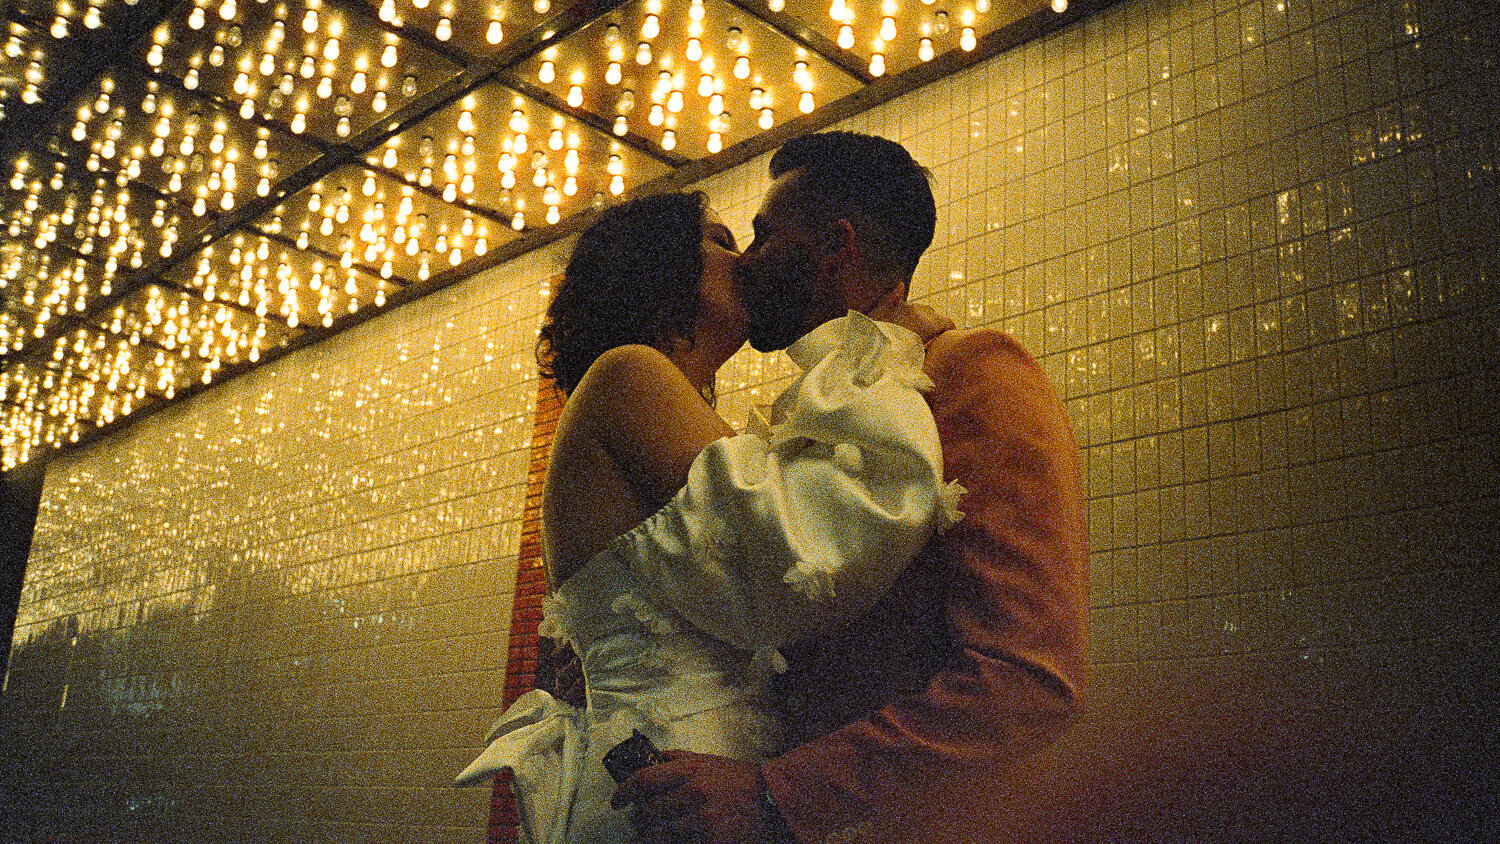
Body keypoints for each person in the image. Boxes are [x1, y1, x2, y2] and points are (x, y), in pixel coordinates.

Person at [610, 132, 1090, 843]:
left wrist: (777, 794)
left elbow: (1027, 679)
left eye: (765, 235)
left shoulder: (972, 374)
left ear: (835, 245)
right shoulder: (809, 411)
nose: (745, 261)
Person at [454, 190, 962, 844]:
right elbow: (801, 542)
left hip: (677, 786)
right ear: (660, 272)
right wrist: (880, 350)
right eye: (721, 243)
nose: (745, 262)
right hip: (674, 795)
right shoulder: (628, 375)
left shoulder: (637, 397)